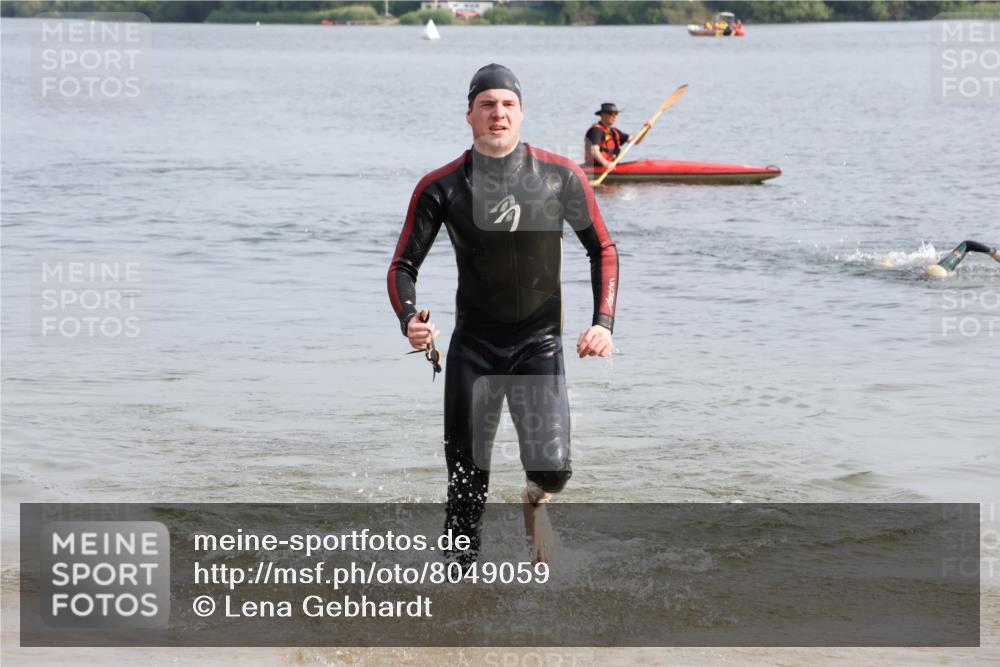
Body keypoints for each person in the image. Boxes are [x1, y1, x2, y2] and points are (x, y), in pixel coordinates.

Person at [388, 64, 619, 566]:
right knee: (467, 496)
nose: (498, 113)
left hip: (540, 344)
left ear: (521, 114)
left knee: (554, 471)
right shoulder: (442, 186)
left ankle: (534, 505)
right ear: (469, 114)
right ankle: (455, 616)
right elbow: (404, 264)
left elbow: (602, 249)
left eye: (508, 105)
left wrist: (603, 323)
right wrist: (410, 318)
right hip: (474, 351)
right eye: (487, 105)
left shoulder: (560, 176)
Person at [585, 103, 634, 169]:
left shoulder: (614, 132)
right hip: (597, 167)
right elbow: (594, 150)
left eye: (616, 114)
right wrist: (606, 164)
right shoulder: (596, 130)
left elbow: (635, 140)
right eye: (611, 114)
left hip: (611, 165)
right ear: (602, 115)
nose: (614, 116)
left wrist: (646, 129)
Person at [925, 240, 1000, 277]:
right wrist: (992, 252)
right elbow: (967, 245)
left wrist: (993, 252)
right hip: (939, 271)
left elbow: (967, 245)